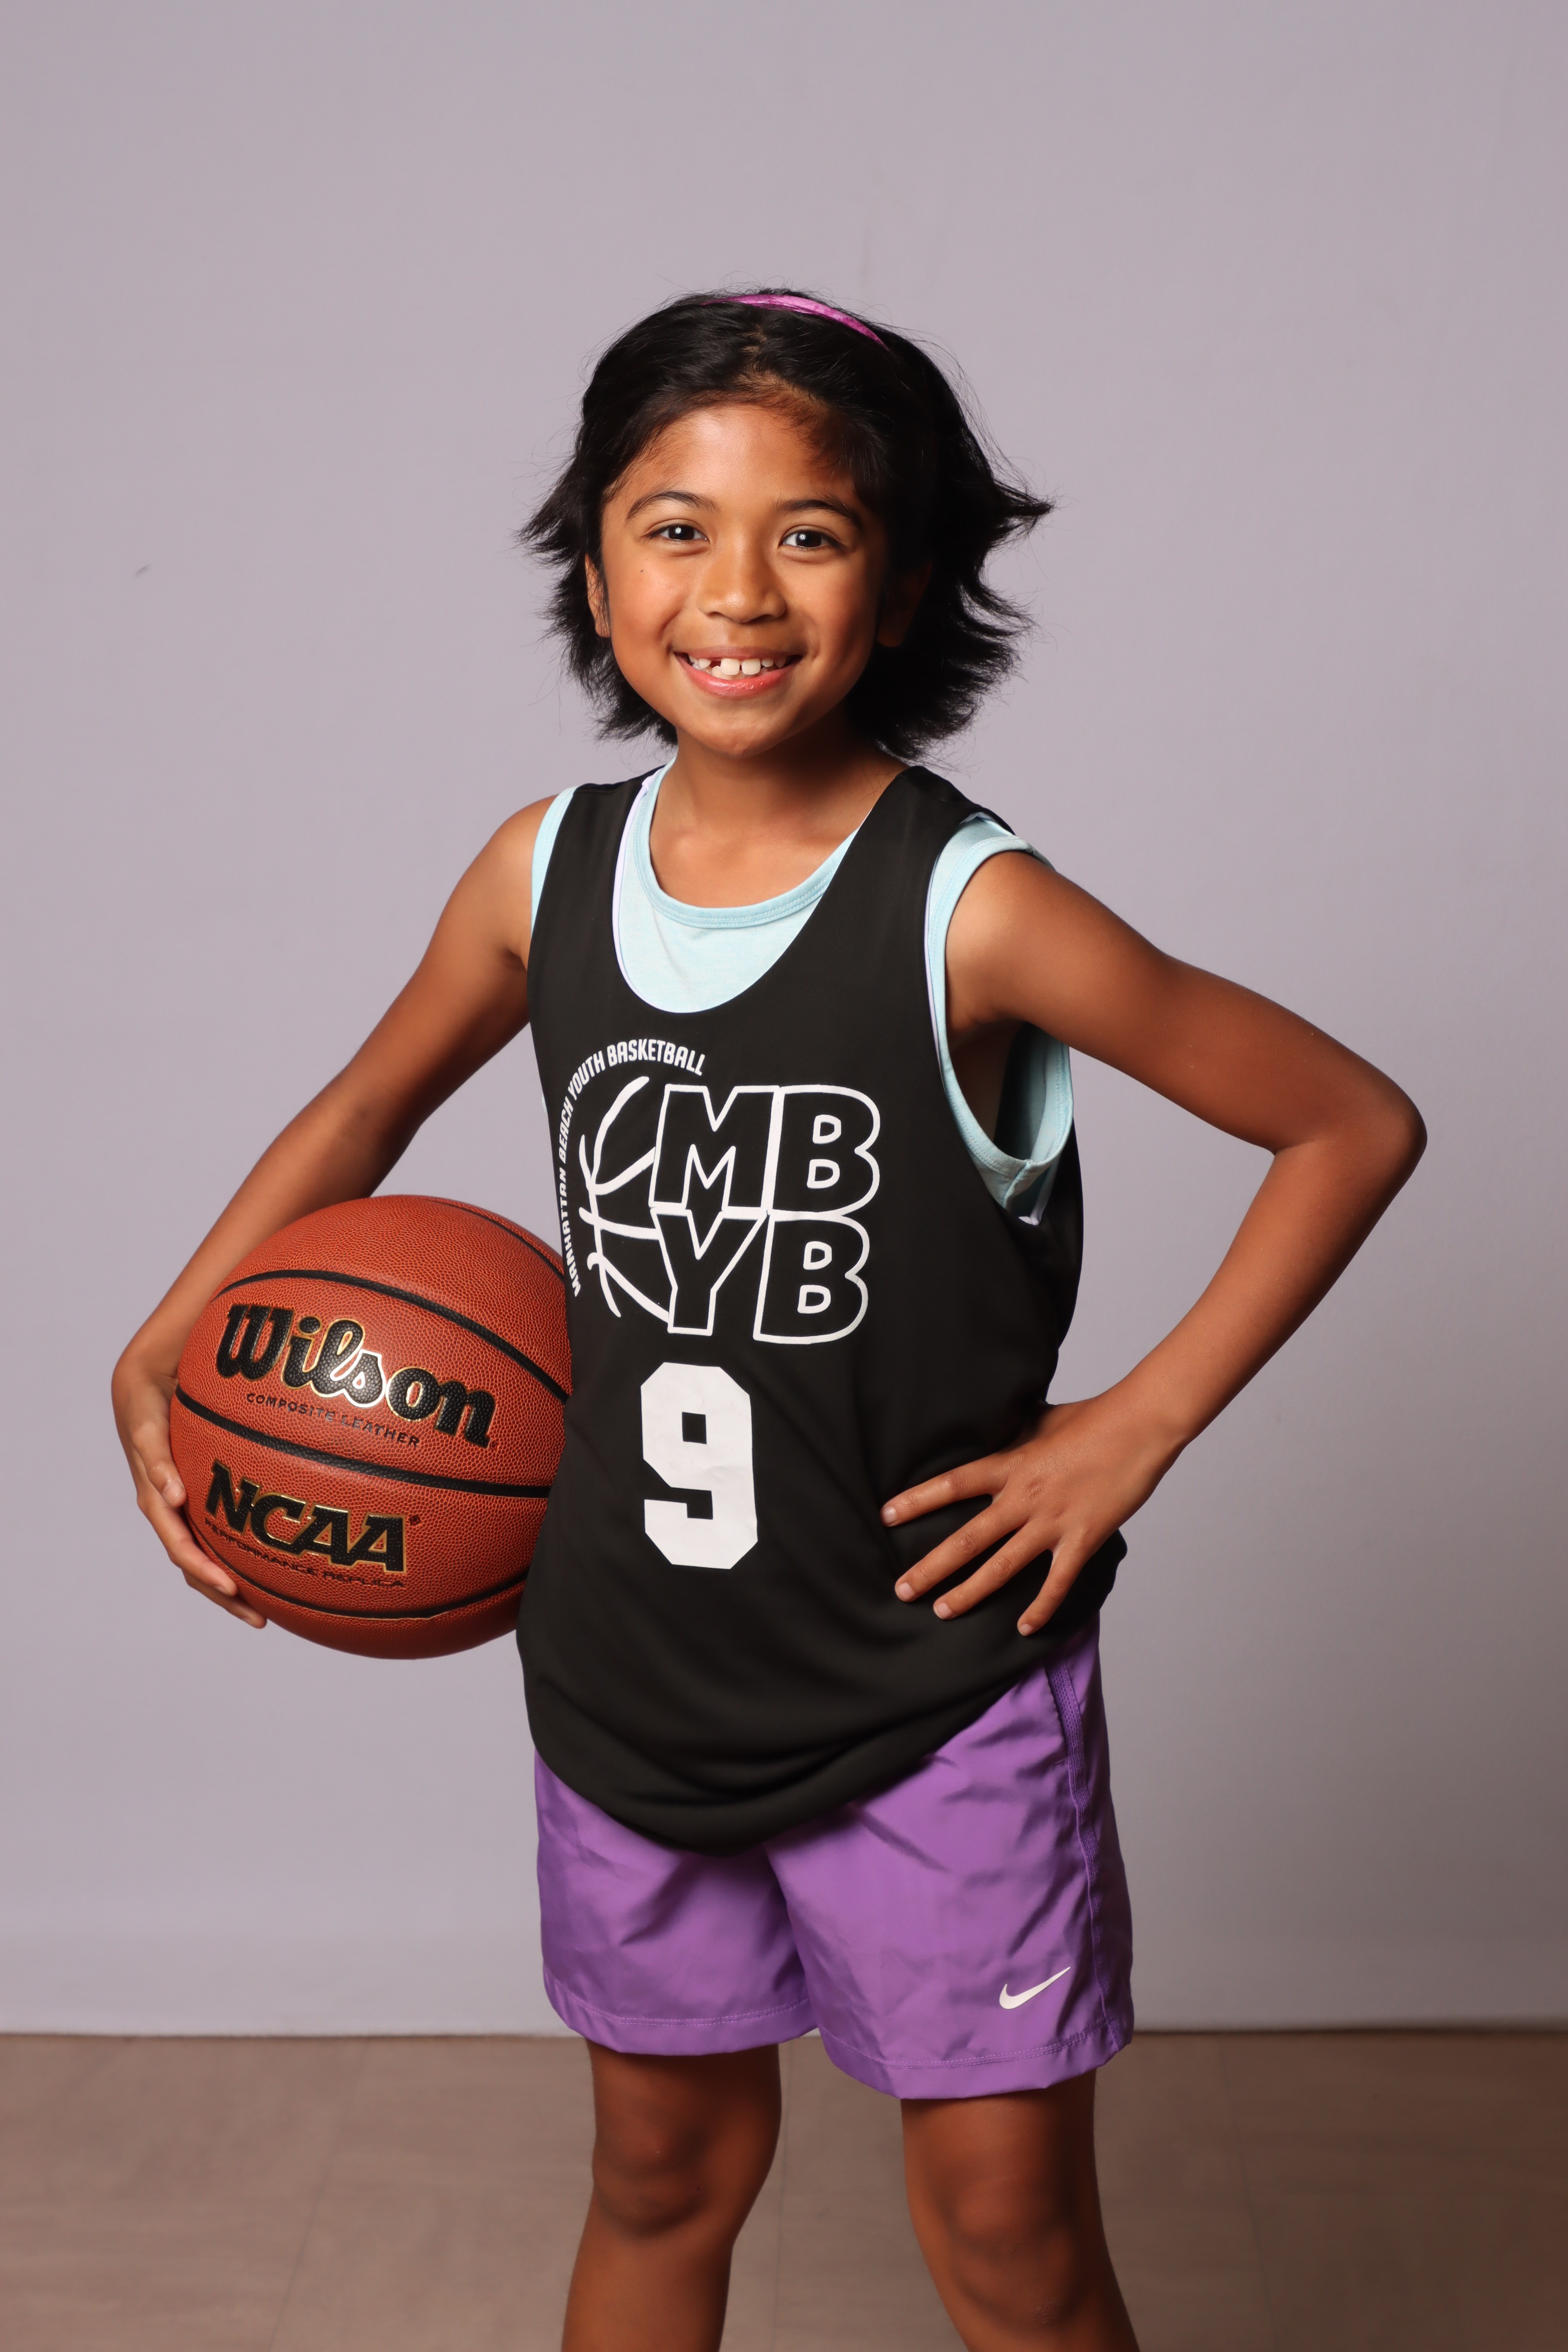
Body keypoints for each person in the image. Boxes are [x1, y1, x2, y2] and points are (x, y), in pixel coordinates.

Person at [113, 289, 1424, 2352]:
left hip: (930, 1692)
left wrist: (1136, 1423)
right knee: (660, 2179)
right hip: (632, 1679)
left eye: (807, 534)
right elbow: (366, 1112)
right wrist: (170, 1332)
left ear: (898, 586)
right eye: (673, 527)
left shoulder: (969, 908)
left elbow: (1346, 1121)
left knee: (1007, 2238)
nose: (735, 590)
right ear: (590, 565)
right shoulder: (541, 875)